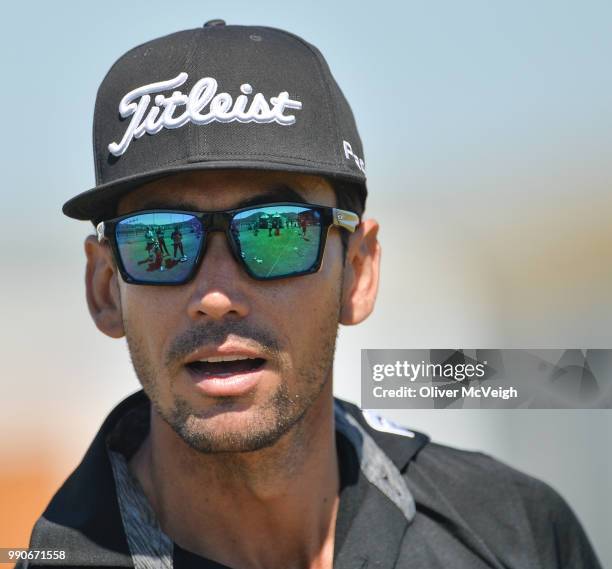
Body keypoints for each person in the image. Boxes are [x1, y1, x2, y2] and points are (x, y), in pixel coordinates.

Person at [21, 21, 602, 569]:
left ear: (357, 271)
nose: (217, 296)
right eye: (161, 240)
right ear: (104, 289)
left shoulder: (513, 532)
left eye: (275, 233)